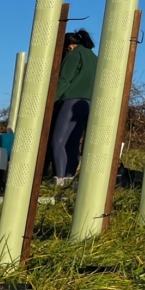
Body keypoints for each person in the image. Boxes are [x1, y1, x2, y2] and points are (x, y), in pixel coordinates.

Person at [49, 29, 97, 186]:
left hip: (71, 100)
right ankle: (69, 178)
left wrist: (51, 100)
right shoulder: (94, 57)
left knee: (58, 140)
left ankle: (59, 178)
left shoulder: (74, 55)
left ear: (69, 46)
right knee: (73, 142)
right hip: (88, 103)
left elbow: (64, 80)